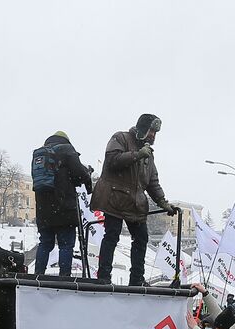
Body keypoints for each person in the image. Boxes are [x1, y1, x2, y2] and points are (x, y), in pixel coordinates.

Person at [89, 113, 177, 286]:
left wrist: (163, 202)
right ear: (143, 128)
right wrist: (137, 154)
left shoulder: (149, 155)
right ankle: (104, 277)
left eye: (155, 132)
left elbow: (152, 182)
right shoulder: (120, 138)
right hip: (113, 199)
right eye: (151, 131)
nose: (153, 135)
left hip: (134, 203)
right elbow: (112, 161)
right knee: (112, 235)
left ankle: (137, 278)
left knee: (141, 238)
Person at [31, 131, 94, 277]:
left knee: (45, 243)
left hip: (43, 210)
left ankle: (37, 275)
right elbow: (80, 174)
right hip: (64, 207)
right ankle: (64, 277)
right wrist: (87, 172)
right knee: (66, 245)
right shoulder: (67, 150)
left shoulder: (39, 155)